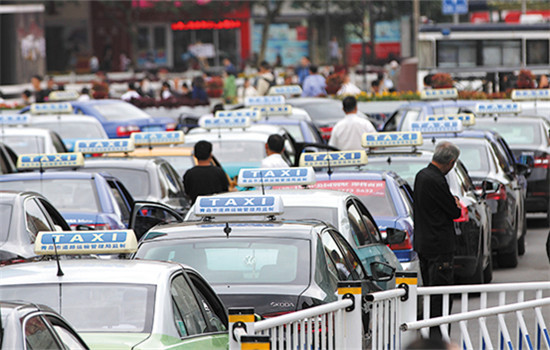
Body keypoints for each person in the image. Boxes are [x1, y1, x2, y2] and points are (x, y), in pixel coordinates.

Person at [413, 141, 462, 339]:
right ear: (450, 162)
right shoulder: (437, 180)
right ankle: (438, 338)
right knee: (441, 296)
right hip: (439, 247)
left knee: (431, 292)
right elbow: (453, 211)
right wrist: (456, 204)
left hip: (424, 245)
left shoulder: (421, 176)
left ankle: (433, 335)